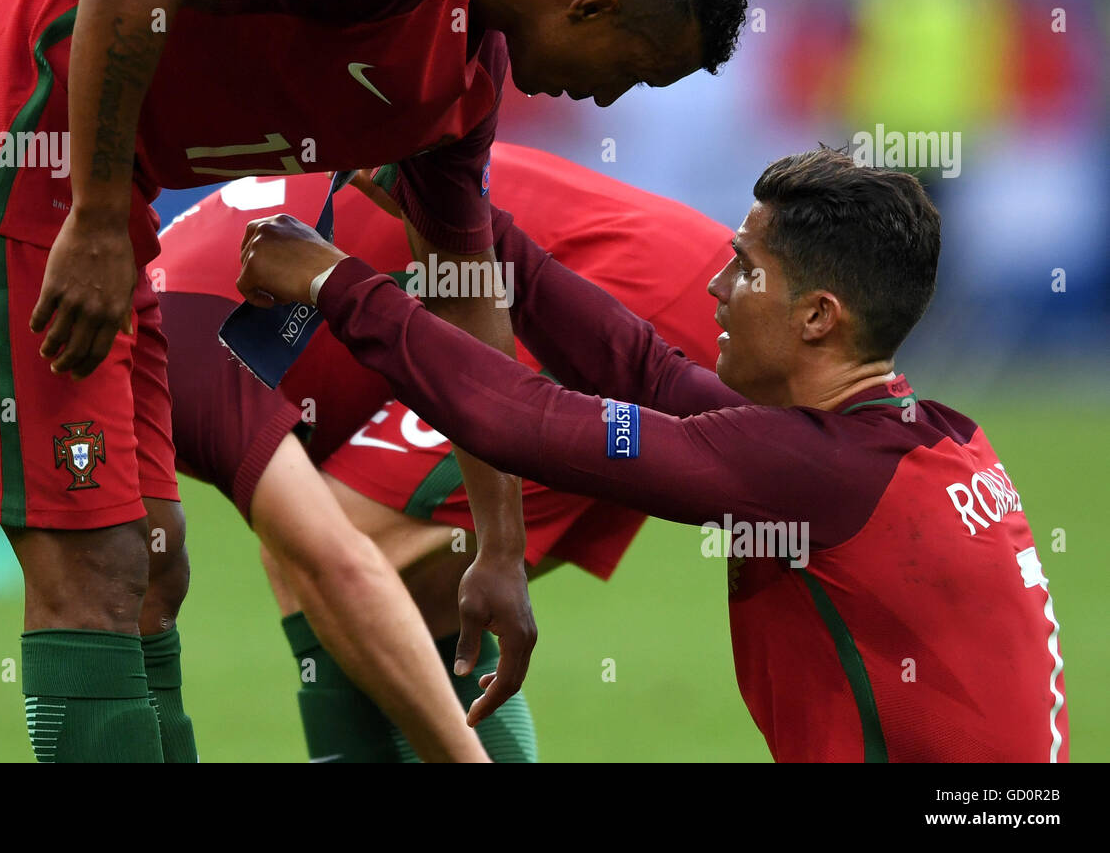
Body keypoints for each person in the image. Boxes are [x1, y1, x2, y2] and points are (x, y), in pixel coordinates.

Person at [0, 0, 748, 759]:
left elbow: (465, 288)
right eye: (633, 69)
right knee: (98, 569)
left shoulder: (464, 78)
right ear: (594, 5)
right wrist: (87, 218)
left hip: (104, 208)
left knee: (155, 563)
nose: (608, 101)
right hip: (4, 163)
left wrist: (500, 543)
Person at [236, 146, 1070, 763]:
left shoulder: (811, 471)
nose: (715, 287)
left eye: (744, 272)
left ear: (818, 317)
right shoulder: (931, 436)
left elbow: (522, 419)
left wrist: (337, 286)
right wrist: (468, 222)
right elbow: (644, 370)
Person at [147, 142, 731, 760]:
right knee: (395, 611)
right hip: (653, 284)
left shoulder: (171, 364)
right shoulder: (162, 317)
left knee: (344, 557)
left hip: (614, 300)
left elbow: (338, 563)